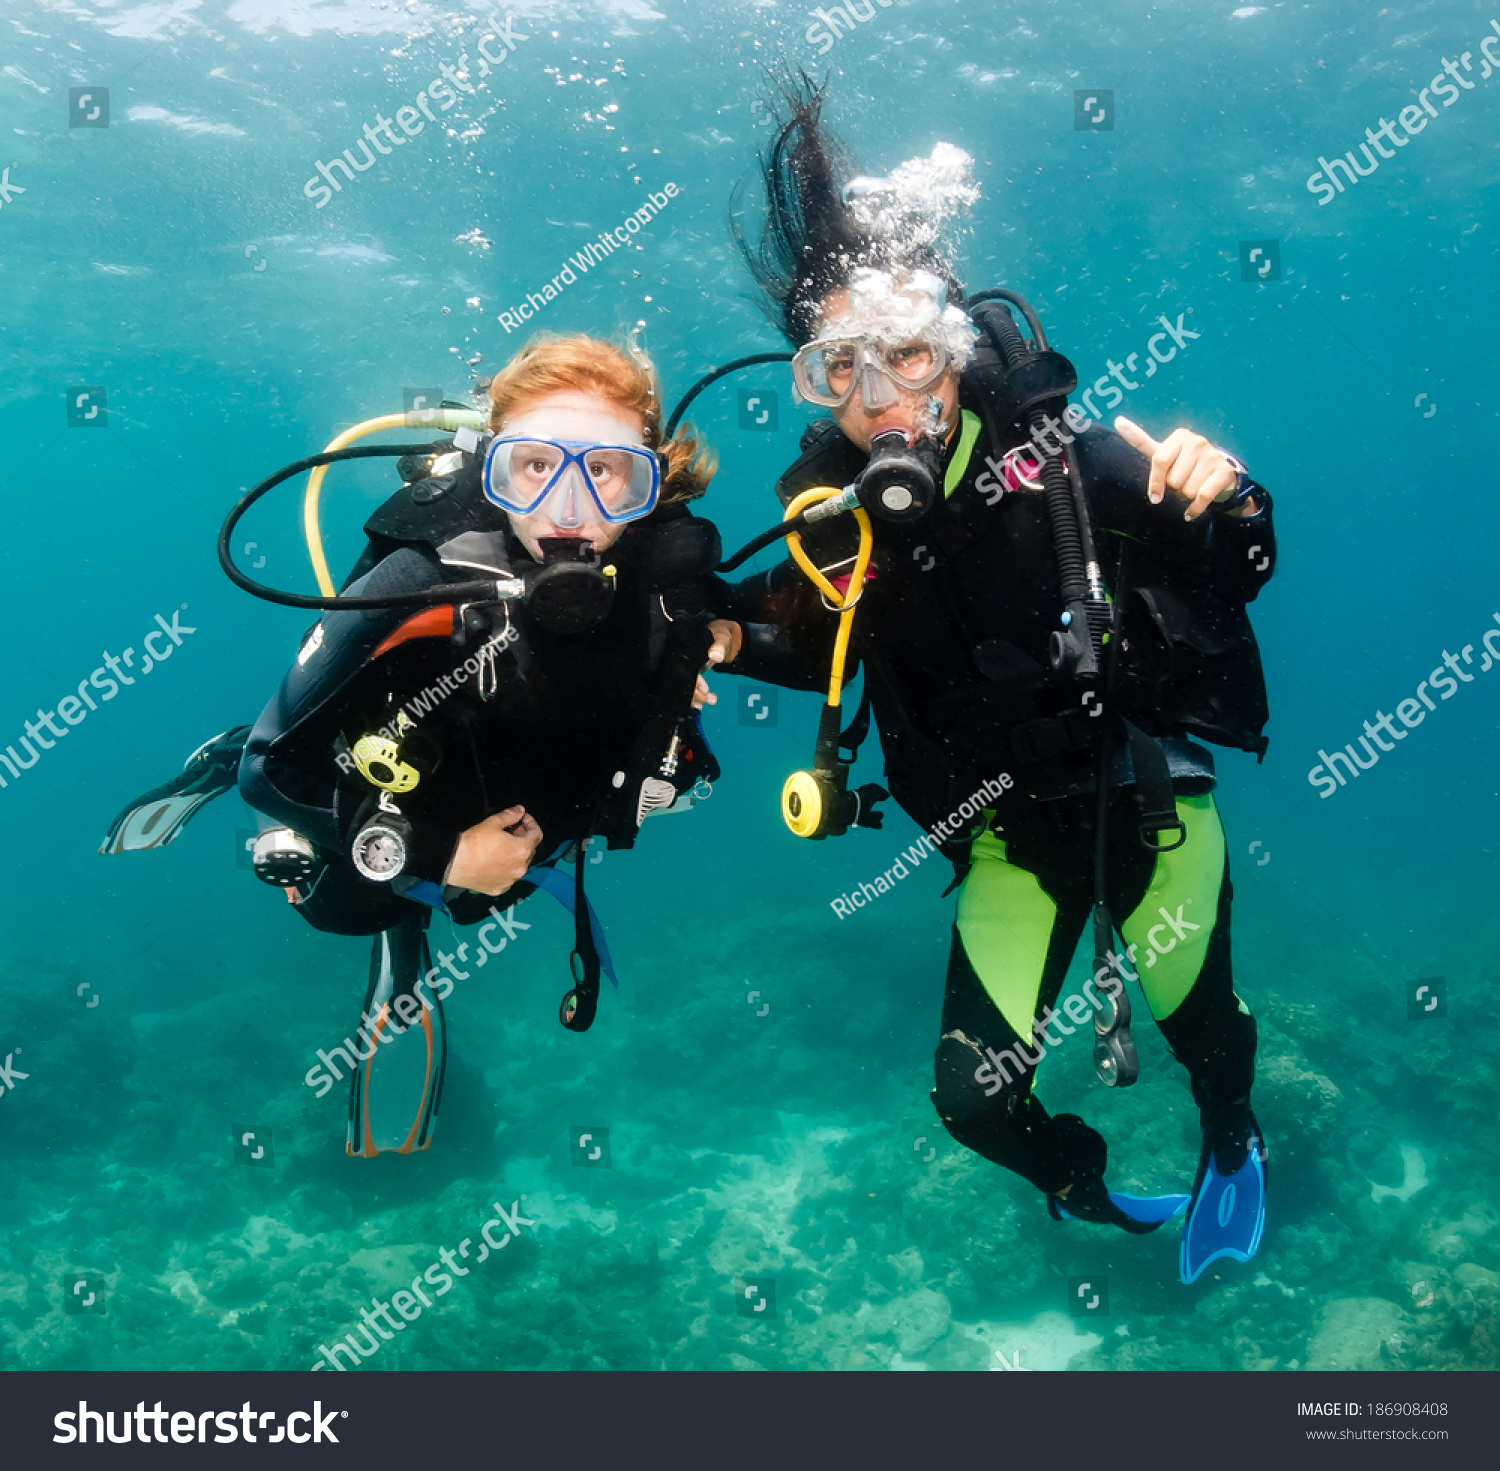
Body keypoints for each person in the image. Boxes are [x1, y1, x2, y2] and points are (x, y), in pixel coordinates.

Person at [715, 85, 1273, 1282]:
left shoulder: (1073, 464)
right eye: (840, 370)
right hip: (1006, 848)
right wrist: (710, 635)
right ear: (813, 383)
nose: (883, 401)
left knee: (1206, 1033)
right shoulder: (828, 522)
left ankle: (1235, 1138)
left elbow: (1241, 572)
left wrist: (1230, 495)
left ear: (957, 350)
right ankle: (1078, 1181)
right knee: (970, 1102)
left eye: (908, 354)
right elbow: (812, 654)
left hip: (1150, 810)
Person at [102, 334, 737, 1157]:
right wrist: (441, 854)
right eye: (534, 468)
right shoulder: (415, 579)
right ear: (491, 472)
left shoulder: (666, 568)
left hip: (529, 811)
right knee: (346, 908)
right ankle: (233, 777)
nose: (571, 510)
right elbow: (275, 765)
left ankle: (436, 893)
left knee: (493, 898)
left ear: (647, 481)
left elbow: (785, 627)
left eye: (609, 471)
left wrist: (717, 634)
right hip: (401, 785)